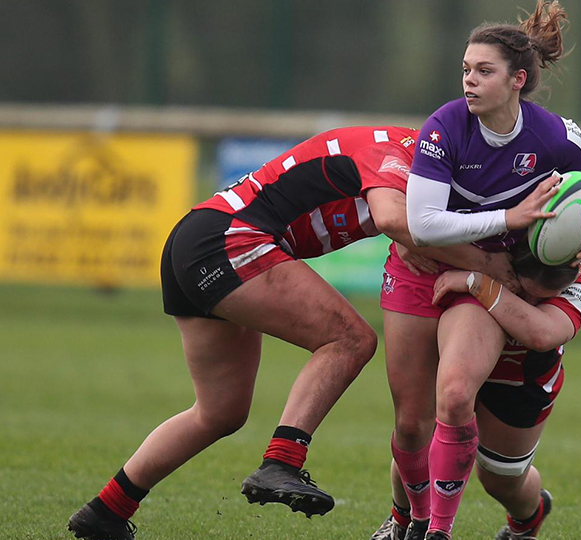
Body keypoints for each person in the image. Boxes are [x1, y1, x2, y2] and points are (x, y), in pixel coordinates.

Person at [66, 126, 515, 540]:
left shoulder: (413, 167)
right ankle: (282, 460)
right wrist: (493, 268)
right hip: (229, 239)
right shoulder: (400, 149)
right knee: (351, 339)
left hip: (198, 238)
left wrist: (415, 237)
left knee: (220, 412)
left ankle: (107, 511)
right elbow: (396, 219)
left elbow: (406, 222)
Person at [379, 2, 581, 539]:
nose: (469, 80)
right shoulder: (444, 128)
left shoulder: (554, 136)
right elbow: (422, 224)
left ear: (518, 80)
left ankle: (527, 516)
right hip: (447, 272)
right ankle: (420, 528)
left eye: (484, 71)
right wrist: (510, 219)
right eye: (465, 69)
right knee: (422, 419)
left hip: (486, 284)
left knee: (502, 476)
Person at [373, 246, 581, 540]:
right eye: (529, 290)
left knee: (500, 480)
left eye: (546, 294)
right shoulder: (492, 254)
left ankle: (528, 516)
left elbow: (541, 334)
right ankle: (403, 519)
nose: (535, 298)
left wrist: (477, 284)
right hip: (464, 353)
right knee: (420, 435)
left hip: (518, 380)